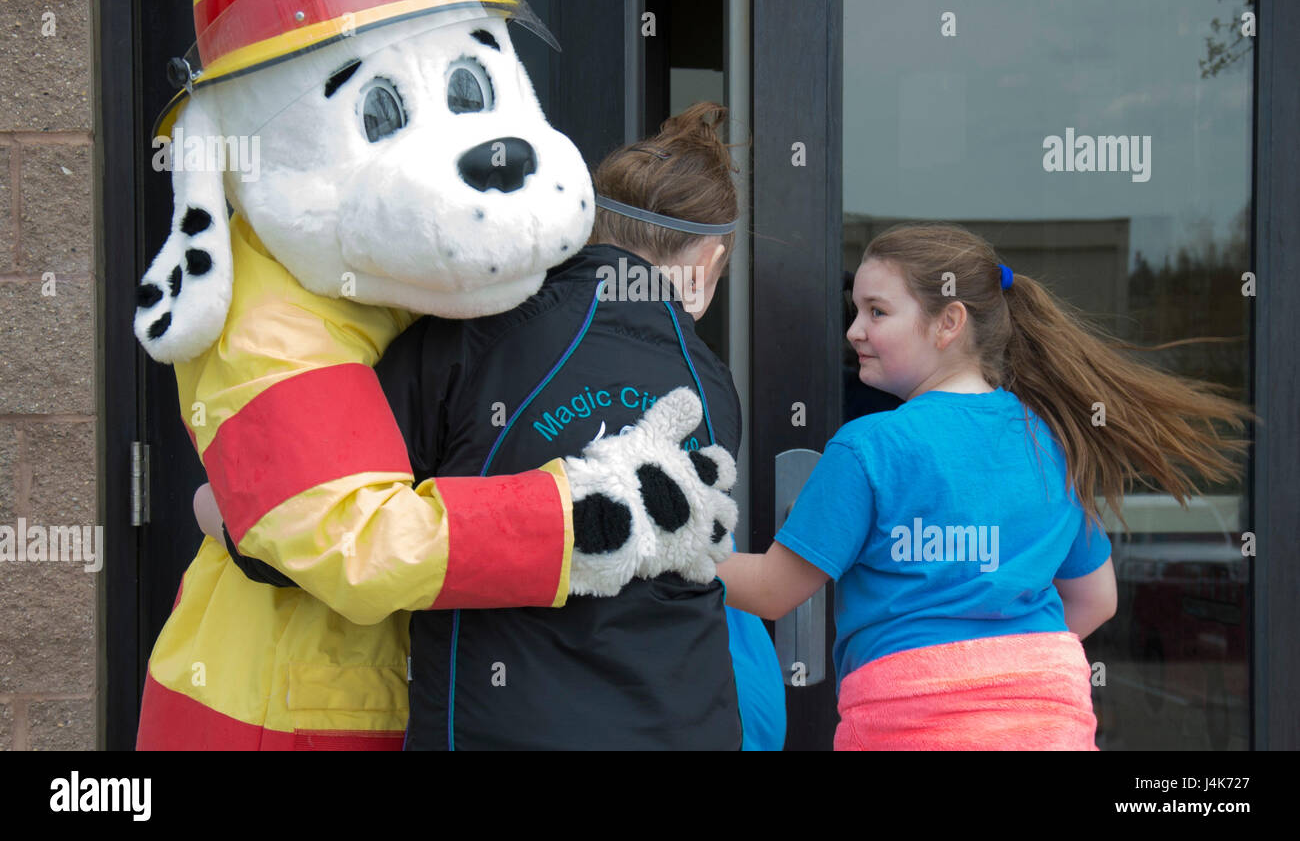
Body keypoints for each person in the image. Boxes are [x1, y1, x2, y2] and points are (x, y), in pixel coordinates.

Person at [205, 102, 786, 750]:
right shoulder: (710, 385)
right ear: (708, 261)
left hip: (504, 727)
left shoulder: (470, 336)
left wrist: (236, 520)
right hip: (686, 725)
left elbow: (323, 530)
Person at [716, 221, 1253, 750]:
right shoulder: (1054, 440)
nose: (854, 330)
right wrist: (1004, 662)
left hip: (909, 722)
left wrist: (663, 549)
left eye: (876, 312)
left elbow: (771, 590)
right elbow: (1097, 599)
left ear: (948, 321)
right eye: (857, 311)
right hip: (1051, 721)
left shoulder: (869, 447)